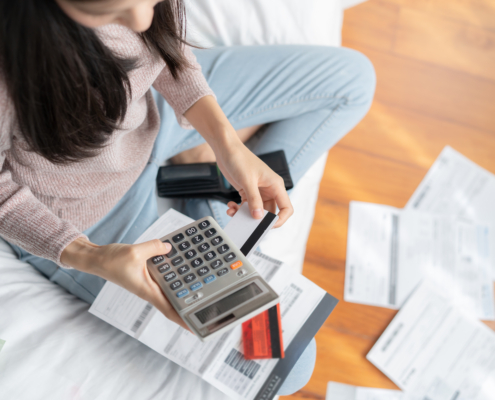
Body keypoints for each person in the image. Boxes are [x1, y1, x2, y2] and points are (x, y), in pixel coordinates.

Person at [0, 0, 375, 395]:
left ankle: (200, 169)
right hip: (89, 217)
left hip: (151, 115)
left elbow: (166, 47)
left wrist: (226, 143)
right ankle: (201, 193)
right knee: (289, 364)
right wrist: (89, 255)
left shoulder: (143, 13)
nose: (143, 20)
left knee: (353, 81)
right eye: (112, 13)